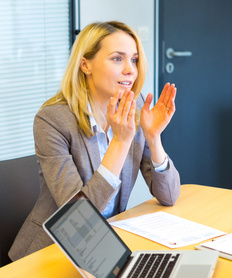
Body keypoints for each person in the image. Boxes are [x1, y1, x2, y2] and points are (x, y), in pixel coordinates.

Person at [9, 21, 181, 261]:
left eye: (134, 59)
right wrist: (120, 142)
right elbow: (79, 221)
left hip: (103, 247)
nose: (131, 70)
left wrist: (154, 138)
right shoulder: (52, 120)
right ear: (85, 64)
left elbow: (170, 196)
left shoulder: (134, 106)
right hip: (50, 253)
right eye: (117, 59)